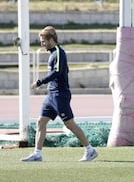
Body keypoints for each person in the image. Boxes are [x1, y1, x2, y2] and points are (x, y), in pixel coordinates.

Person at [21, 26, 98, 162]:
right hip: (51, 95)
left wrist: (39, 82)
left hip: (60, 95)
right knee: (41, 122)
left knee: (70, 125)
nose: (42, 44)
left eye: (44, 41)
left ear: (51, 39)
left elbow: (56, 73)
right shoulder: (52, 54)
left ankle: (90, 150)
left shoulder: (59, 53)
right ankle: (37, 153)